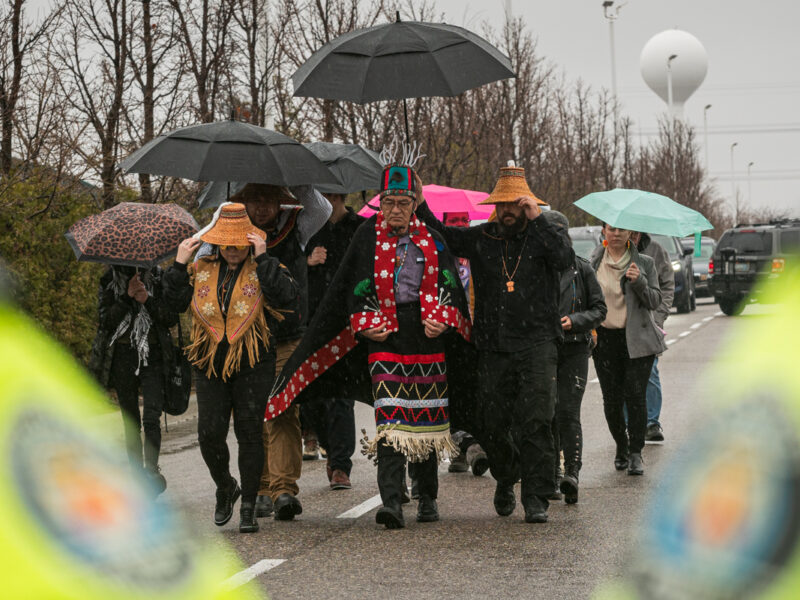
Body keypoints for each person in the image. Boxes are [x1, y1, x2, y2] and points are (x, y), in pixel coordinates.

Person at [265, 143, 476, 529]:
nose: (395, 210)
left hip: (426, 337)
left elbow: (450, 285)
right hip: (385, 340)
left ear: (415, 203)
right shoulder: (367, 236)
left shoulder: (433, 237)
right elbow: (351, 286)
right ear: (380, 203)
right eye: (389, 203)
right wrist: (364, 322)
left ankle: (427, 496)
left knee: (426, 422)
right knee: (391, 421)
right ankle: (392, 501)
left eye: (403, 203)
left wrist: (443, 319)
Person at [416, 165, 574, 524]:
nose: (507, 211)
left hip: (538, 344)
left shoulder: (541, 235)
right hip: (492, 346)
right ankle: (506, 475)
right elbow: (443, 237)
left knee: (536, 420)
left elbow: (565, 260)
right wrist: (421, 203)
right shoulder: (483, 238)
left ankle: (535, 498)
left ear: (526, 206)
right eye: (501, 204)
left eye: (515, 204)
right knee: (491, 422)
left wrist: (540, 220)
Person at [163, 203, 299, 533]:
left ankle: (249, 506)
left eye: (240, 243)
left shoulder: (264, 265)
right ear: (218, 242)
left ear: (249, 242)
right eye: (227, 243)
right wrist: (179, 264)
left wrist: (264, 256)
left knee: (250, 433)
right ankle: (226, 486)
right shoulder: (200, 268)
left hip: (254, 361)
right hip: (209, 361)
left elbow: (286, 296)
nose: (234, 250)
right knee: (209, 433)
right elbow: (171, 305)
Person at [229, 183, 330, 520]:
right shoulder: (231, 231)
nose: (260, 207)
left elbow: (323, 209)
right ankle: (258, 487)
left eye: (267, 200)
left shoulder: (296, 227)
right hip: (247, 339)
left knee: (283, 409)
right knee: (253, 414)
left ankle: (284, 490)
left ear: (279, 202)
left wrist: (297, 178)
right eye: (253, 200)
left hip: (287, 336)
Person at [89, 264, 178, 495]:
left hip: (153, 355)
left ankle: (151, 471)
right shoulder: (109, 279)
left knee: (151, 417)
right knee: (130, 422)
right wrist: (127, 298)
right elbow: (105, 321)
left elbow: (170, 317)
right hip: (122, 356)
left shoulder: (158, 276)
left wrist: (146, 298)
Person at [590, 224, 666, 477]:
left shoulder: (644, 262)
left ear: (631, 234)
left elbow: (655, 300)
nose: (616, 234)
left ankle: (636, 452)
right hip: (604, 340)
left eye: (622, 230)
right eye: (611, 229)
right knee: (611, 399)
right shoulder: (593, 261)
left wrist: (640, 281)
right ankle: (621, 447)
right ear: (603, 231)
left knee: (635, 396)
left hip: (637, 339)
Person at [542, 211, 607, 504]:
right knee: (548, 412)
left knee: (568, 412)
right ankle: (552, 474)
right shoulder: (535, 269)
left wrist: (575, 320)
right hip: (543, 350)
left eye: (558, 233)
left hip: (575, 348)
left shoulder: (583, 270)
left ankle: (572, 473)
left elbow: (599, 310)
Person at [302, 191, 365, 490]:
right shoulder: (306, 230)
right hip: (312, 323)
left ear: (340, 196)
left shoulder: (360, 228)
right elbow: (283, 270)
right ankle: (327, 445)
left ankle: (341, 465)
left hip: (347, 323)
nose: (324, 203)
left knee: (342, 396)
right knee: (313, 397)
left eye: (328, 196)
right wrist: (307, 262)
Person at [440, 211, 488, 477]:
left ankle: (472, 442)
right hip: (452, 337)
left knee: (476, 395)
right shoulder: (438, 255)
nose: (459, 226)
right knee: (452, 394)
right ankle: (461, 448)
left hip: (480, 337)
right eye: (453, 221)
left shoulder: (479, 254)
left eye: (463, 221)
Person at [630, 232, 674, 443]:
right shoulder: (606, 252)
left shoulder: (656, 251)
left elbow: (667, 286)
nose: (631, 236)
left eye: (635, 233)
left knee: (650, 372)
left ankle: (652, 423)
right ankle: (629, 425)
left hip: (649, 323)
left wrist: (658, 317)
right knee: (622, 377)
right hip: (622, 324)